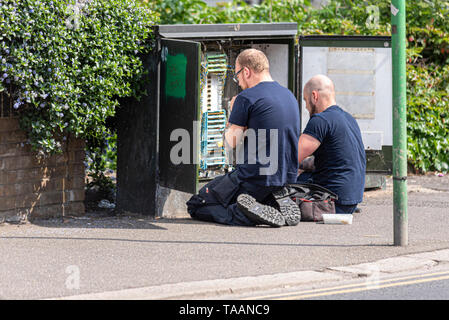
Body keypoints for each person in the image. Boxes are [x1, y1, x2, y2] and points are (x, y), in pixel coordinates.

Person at [187, 49, 301, 227]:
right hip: (285, 177)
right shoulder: (289, 96)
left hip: (253, 177)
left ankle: (244, 214)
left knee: (196, 204)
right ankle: (273, 203)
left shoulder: (246, 98)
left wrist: (232, 113)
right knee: (246, 196)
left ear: (246, 72)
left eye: (237, 77)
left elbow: (231, 142)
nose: (238, 83)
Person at [297, 74, 366, 213]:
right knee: (303, 177)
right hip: (351, 199)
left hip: (333, 201)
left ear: (314, 96)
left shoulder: (320, 120)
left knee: (280, 194)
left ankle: (313, 208)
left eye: (305, 100)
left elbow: (291, 157)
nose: (305, 106)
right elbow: (335, 158)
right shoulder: (348, 118)